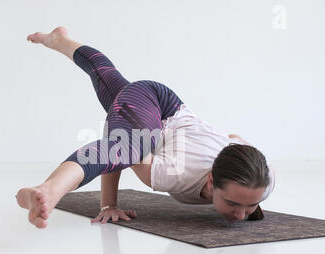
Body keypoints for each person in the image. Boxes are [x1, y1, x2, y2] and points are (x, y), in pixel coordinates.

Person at [16, 26, 275, 229]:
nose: (241, 215)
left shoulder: (264, 178)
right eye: (232, 203)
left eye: (251, 206)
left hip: (168, 111)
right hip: (157, 102)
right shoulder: (175, 173)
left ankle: (59, 39)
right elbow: (117, 151)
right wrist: (108, 205)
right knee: (131, 147)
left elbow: (235, 138)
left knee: (104, 73)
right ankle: (49, 190)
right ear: (210, 180)